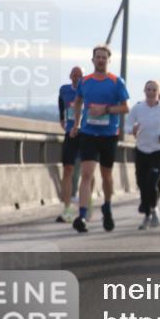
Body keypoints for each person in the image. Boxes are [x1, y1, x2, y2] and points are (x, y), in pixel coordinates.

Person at [68, 45, 130, 233]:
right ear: (93, 60)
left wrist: (106, 110)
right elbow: (77, 102)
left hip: (108, 135)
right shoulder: (85, 82)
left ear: (109, 61)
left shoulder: (116, 81)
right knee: (86, 174)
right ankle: (82, 215)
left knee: (106, 176)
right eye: (98, 57)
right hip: (88, 133)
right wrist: (77, 124)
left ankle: (107, 206)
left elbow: (125, 108)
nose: (101, 60)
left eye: (104, 57)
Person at [126, 80, 160, 229]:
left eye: (154, 90)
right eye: (148, 90)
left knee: (152, 182)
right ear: (144, 91)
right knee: (141, 183)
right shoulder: (138, 108)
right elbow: (127, 125)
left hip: (159, 150)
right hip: (141, 149)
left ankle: (149, 213)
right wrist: (132, 129)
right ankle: (153, 208)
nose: (150, 92)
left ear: (159, 93)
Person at [56, 66, 83, 223]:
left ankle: (85, 206)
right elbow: (61, 102)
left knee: (87, 172)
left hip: (86, 134)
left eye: (80, 75)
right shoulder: (64, 90)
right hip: (70, 133)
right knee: (68, 169)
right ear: (70, 76)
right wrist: (62, 118)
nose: (77, 77)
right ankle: (67, 209)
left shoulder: (88, 90)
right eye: (74, 74)